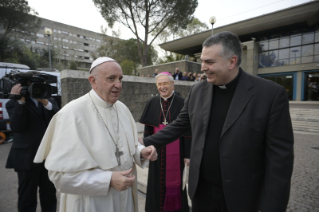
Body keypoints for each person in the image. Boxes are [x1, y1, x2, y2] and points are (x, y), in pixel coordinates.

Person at [141, 31, 294, 212]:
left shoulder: (270, 94)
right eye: (202, 61)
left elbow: (280, 160)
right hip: (202, 193)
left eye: (210, 62)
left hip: (243, 195)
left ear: (232, 61)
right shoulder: (198, 91)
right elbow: (180, 125)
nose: (203, 68)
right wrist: (143, 142)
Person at [34, 57, 158, 212]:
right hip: (91, 204)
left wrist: (140, 152)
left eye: (120, 79)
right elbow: (59, 176)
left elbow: (127, 144)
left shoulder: (123, 109)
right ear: (93, 81)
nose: (118, 85)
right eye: (111, 79)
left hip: (124, 200)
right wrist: (107, 180)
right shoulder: (71, 113)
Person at [139, 72, 191, 212]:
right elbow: (148, 129)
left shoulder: (182, 102)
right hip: (157, 149)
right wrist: (145, 148)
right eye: (159, 84)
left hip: (177, 150)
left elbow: (187, 132)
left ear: (172, 84)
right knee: (156, 181)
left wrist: (187, 154)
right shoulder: (153, 102)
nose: (162, 87)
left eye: (165, 83)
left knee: (177, 182)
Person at [5, 79, 59, 212]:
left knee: (49, 194)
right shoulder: (13, 103)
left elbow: (58, 121)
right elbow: (17, 127)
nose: (35, 89)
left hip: (47, 156)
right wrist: (20, 101)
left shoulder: (49, 101)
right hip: (25, 158)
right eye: (31, 86)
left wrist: (45, 102)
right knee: (27, 197)